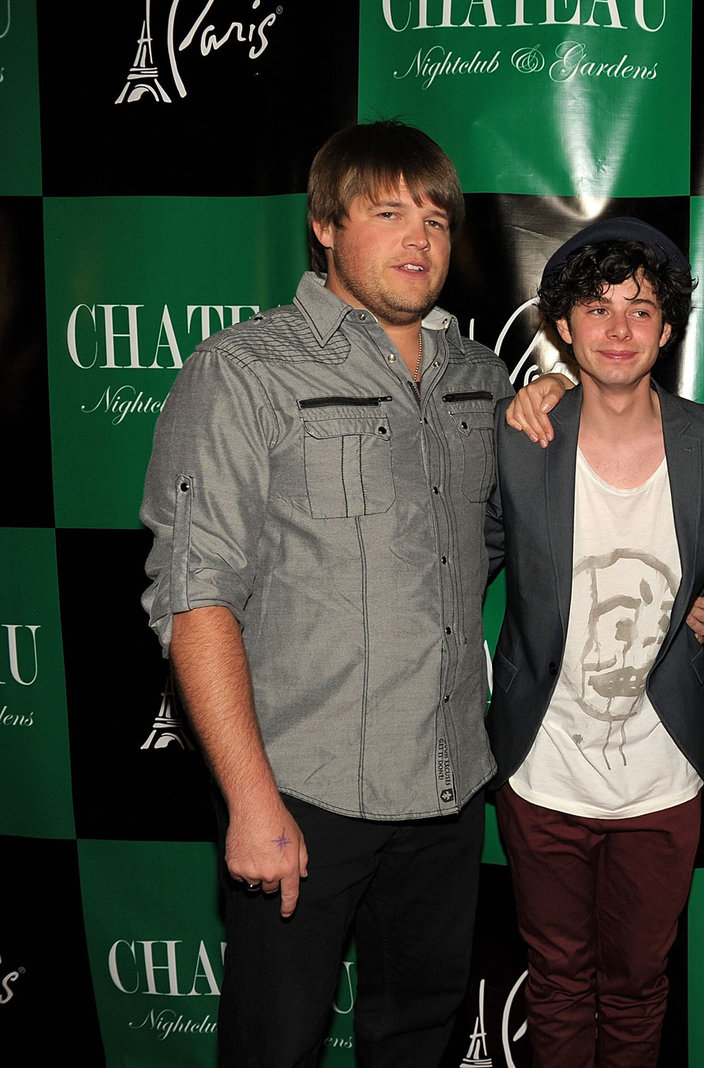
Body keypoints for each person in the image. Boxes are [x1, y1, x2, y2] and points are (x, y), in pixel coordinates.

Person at [139, 121, 512, 1066]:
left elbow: (528, 540)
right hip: (302, 793)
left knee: (420, 1042)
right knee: (275, 1047)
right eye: (387, 213)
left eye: (435, 216)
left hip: (448, 781)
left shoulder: (482, 376)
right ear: (323, 227)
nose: (419, 238)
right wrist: (251, 801)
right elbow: (196, 595)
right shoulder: (242, 373)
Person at [483, 218, 704, 1068]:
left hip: (661, 774)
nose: (619, 330)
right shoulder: (518, 437)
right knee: (558, 984)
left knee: (639, 987)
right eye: (596, 309)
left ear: (667, 328)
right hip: (542, 768)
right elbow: (458, 570)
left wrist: (703, 600)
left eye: (640, 310)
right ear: (561, 325)